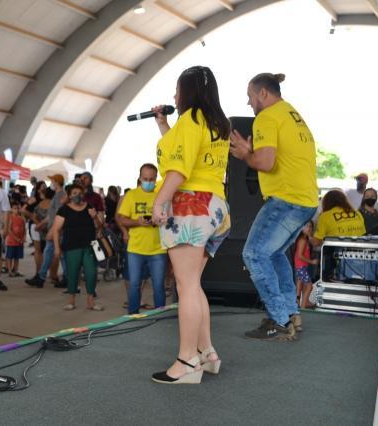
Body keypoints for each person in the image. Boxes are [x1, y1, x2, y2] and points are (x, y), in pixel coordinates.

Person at [149, 66, 231, 384]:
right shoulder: (215, 122)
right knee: (193, 285)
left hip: (190, 206)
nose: (174, 96)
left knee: (185, 287)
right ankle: (206, 352)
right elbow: (184, 151)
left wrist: (160, 201)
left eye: (177, 89)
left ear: (188, 91)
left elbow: (179, 167)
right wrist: (163, 124)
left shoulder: (191, 118)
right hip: (215, 207)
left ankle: (186, 362)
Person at [230, 72, 318, 341]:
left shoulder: (266, 117)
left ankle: (279, 320)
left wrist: (246, 154)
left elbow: (266, 162)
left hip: (285, 199)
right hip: (305, 200)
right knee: (276, 254)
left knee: (254, 255)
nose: (249, 103)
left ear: (263, 94)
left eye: (250, 96)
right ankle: (291, 314)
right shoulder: (292, 114)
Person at [117, 164, 167, 314]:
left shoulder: (162, 195)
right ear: (140, 178)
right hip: (135, 249)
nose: (149, 182)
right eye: (145, 179)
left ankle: (159, 315)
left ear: (156, 178)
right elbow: (121, 219)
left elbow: (170, 219)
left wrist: (158, 220)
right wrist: (137, 222)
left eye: (152, 179)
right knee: (134, 285)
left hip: (158, 249)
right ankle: (133, 315)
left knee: (159, 286)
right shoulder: (131, 195)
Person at [52, 184, 102, 311]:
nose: (77, 195)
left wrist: (95, 216)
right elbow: (56, 230)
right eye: (74, 193)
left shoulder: (89, 207)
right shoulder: (64, 210)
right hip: (71, 246)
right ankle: (71, 301)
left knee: (91, 273)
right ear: (69, 196)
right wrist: (57, 248)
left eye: (80, 193)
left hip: (90, 246)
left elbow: (100, 227)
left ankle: (91, 302)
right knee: (73, 273)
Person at [25, 175, 67, 288]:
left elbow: (60, 215)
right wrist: (41, 224)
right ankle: (44, 277)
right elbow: (51, 215)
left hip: (57, 230)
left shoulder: (60, 195)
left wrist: (53, 230)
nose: (51, 183)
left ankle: (42, 277)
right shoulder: (57, 195)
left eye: (52, 181)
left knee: (55, 253)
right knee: (54, 253)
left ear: (56, 182)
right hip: (55, 229)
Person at [294, 222, 317, 309]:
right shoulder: (302, 240)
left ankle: (303, 302)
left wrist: (310, 236)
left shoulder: (305, 239)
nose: (309, 228)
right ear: (301, 228)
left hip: (302, 267)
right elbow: (299, 255)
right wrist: (311, 262)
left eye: (310, 227)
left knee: (302, 284)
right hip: (301, 267)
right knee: (309, 286)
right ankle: (303, 306)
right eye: (306, 226)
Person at [5, 201, 26, 277]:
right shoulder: (10, 218)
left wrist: (23, 237)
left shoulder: (22, 218)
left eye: (18, 208)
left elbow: (24, 228)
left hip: (19, 241)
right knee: (9, 256)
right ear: (11, 209)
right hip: (11, 241)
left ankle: (16, 270)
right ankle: (10, 271)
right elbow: (9, 229)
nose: (16, 210)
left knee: (17, 257)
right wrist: (15, 238)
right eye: (14, 208)